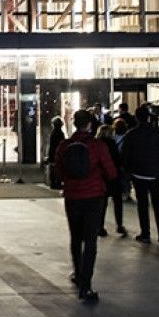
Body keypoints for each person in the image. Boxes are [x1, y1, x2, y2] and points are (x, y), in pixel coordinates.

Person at [54, 110, 117, 303]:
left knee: (75, 237)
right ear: (90, 125)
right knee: (90, 241)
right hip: (94, 197)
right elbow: (111, 172)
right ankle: (86, 285)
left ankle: (77, 273)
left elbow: (58, 172)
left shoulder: (64, 145)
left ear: (74, 124)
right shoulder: (98, 146)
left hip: (72, 196)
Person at [122, 106, 159, 244]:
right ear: (149, 117)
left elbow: (125, 155)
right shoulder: (156, 133)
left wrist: (128, 172)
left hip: (138, 174)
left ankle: (145, 234)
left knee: (142, 205)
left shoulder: (131, 134)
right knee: (158, 204)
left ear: (136, 118)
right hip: (155, 173)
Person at [95, 124, 127, 238]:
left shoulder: (97, 144)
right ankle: (119, 225)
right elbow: (117, 160)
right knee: (117, 202)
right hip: (113, 176)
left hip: (101, 177)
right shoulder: (112, 143)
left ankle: (100, 227)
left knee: (102, 204)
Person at [45, 116, 66, 189]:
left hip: (53, 153)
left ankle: (53, 183)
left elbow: (51, 145)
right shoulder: (61, 133)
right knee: (58, 169)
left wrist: (49, 155)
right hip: (59, 154)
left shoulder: (53, 133)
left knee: (53, 169)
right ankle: (58, 183)